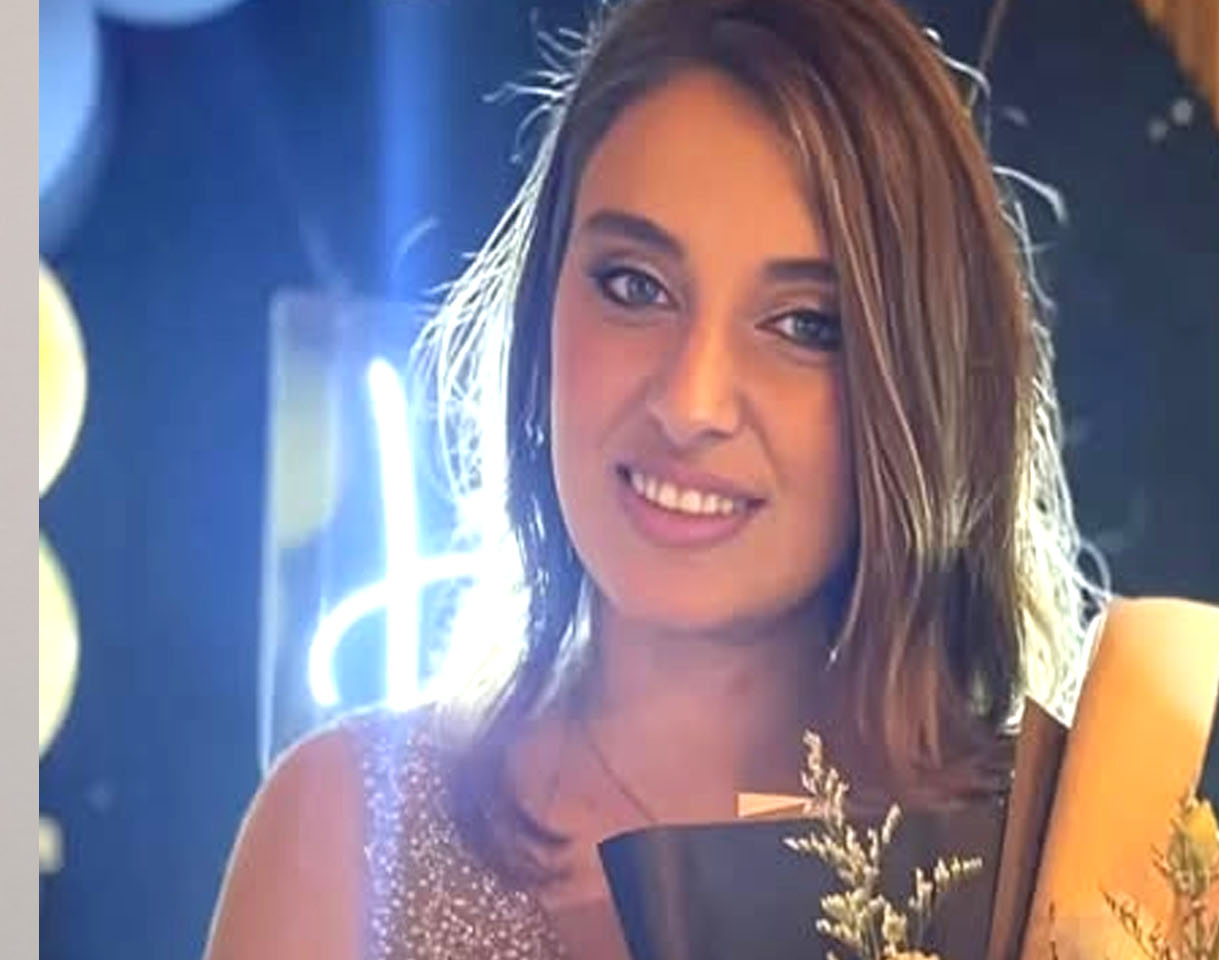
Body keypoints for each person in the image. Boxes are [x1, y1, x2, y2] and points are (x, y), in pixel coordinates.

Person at [205, 0, 1098, 957]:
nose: (690, 401)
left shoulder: (1054, 875)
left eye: (804, 324)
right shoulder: (346, 836)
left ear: (922, 383)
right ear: (544, 302)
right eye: (635, 286)